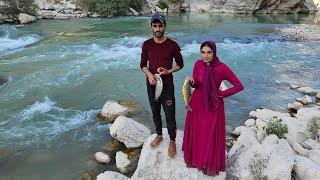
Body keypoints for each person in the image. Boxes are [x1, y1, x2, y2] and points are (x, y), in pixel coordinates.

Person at [182, 41, 244, 175]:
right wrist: (192, 81)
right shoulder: (198, 64)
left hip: (213, 105)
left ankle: (207, 163)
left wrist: (222, 94)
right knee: (198, 132)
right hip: (197, 102)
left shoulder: (222, 68)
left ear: (214, 52)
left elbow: (239, 86)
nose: (206, 56)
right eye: (203, 52)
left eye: (209, 52)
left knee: (209, 134)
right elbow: (197, 84)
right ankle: (195, 159)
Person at [140, 13, 184, 158]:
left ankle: (172, 140)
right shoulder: (147, 44)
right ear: (151, 27)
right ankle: (159, 134)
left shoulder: (172, 45)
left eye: (160, 26)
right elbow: (143, 65)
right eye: (155, 26)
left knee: (170, 114)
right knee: (155, 112)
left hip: (167, 85)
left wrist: (168, 71)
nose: (158, 29)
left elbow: (180, 64)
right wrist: (149, 74)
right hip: (152, 84)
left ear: (165, 26)